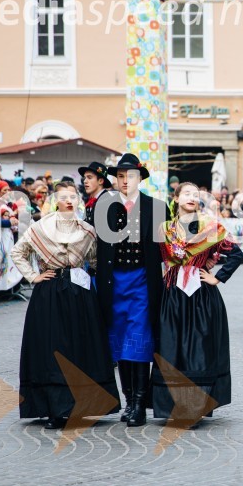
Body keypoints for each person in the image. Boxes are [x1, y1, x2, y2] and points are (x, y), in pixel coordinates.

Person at [11, 181, 120, 429]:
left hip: (80, 293)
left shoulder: (88, 230)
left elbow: (94, 260)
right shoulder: (40, 228)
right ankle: (54, 409)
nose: (69, 200)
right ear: (56, 200)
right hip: (50, 292)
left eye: (73, 196)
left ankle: (83, 406)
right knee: (52, 348)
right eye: (64, 197)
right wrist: (33, 276)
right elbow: (18, 252)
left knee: (81, 346)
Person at [151, 182, 243, 427]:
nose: (192, 198)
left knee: (198, 350)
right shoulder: (164, 229)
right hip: (172, 295)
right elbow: (156, 259)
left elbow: (236, 254)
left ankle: (193, 409)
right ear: (177, 198)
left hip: (201, 296)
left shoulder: (211, 227)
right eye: (187, 194)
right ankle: (171, 406)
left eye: (196, 195)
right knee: (172, 348)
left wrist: (217, 277)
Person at [95, 153, 168, 427]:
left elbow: (168, 248)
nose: (125, 181)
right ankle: (128, 401)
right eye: (121, 176)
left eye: (131, 176)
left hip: (142, 281)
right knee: (119, 342)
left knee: (138, 341)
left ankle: (139, 404)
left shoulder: (157, 207)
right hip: (113, 283)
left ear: (140, 178)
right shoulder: (104, 206)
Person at [78, 162, 113, 227]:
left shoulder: (108, 202)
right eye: (85, 178)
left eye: (89, 177)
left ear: (100, 181)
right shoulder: (89, 201)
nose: (85, 181)